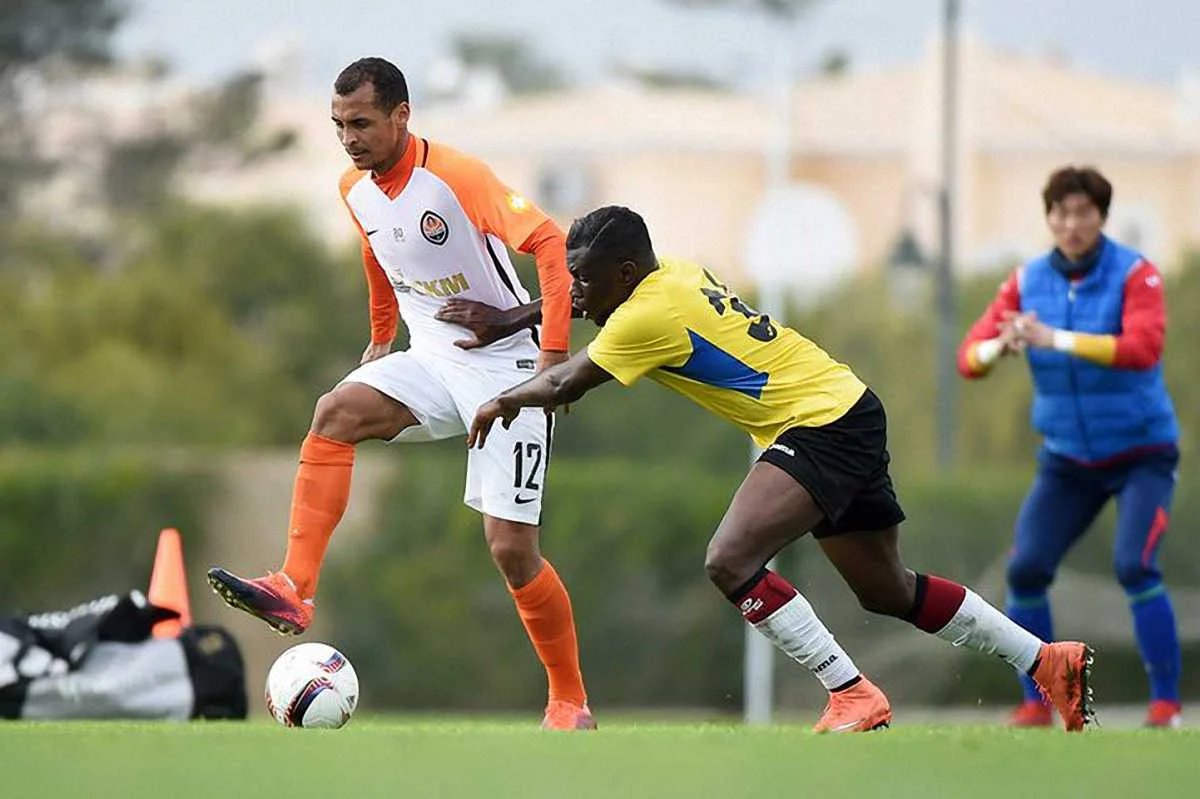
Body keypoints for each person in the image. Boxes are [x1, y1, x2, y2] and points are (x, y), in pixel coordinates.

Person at [458, 205, 1095, 732]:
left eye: (584, 280)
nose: (574, 292)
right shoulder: (671, 273)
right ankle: (1045, 661)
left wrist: (501, 400)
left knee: (729, 560)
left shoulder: (644, 318)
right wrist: (515, 318)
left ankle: (850, 693)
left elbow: (565, 381)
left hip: (818, 425)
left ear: (624, 274)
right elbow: (584, 310)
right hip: (848, 405)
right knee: (887, 591)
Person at [206, 57, 595, 731]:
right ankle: (294, 587)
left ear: (401, 115)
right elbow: (377, 253)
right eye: (338, 125)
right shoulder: (353, 189)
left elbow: (552, 245)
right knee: (335, 411)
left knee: (511, 549)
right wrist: (381, 337)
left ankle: (569, 700)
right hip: (432, 360)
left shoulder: (457, 177)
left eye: (360, 123)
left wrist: (553, 362)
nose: (348, 138)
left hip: (507, 369)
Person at [958, 165, 1182, 729]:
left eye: (1083, 212)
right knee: (1026, 570)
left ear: (1101, 217)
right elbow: (968, 359)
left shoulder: (1136, 273)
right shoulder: (1027, 280)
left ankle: (1165, 707)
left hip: (1141, 454)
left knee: (1135, 565)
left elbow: (1142, 348)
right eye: (1061, 213)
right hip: (1067, 460)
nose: (1071, 224)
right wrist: (1001, 345)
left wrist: (1053, 338)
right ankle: (1038, 703)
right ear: (1049, 219)